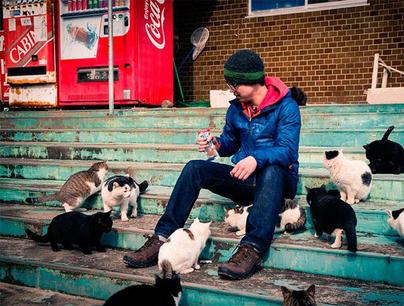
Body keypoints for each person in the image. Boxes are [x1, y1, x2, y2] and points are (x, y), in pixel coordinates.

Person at [123, 49, 301, 280]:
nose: (231, 90)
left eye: (234, 84)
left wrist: (256, 159)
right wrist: (216, 143)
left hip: (278, 183)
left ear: (251, 80)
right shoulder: (236, 108)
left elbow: (287, 150)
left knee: (272, 168)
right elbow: (230, 143)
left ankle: (253, 248)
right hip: (247, 180)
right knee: (194, 168)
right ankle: (162, 237)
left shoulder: (287, 107)